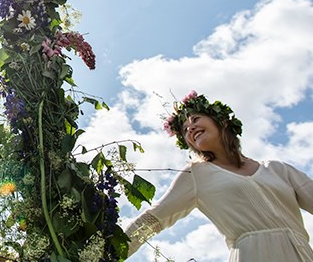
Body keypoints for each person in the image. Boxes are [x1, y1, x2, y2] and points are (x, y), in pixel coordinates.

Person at [124, 90, 313, 261]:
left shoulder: (278, 169)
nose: (190, 127)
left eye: (195, 119)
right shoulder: (196, 174)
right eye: (184, 129)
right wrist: (103, 254)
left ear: (221, 121)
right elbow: (152, 219)